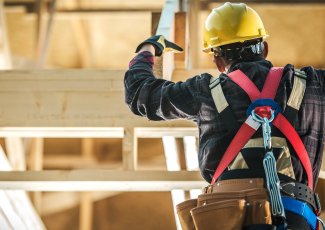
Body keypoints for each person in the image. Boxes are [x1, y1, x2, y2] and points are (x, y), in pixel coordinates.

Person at [124, 2, 325, 229]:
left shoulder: (205, 92)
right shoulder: (312, 85)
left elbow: (140, 94)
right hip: (294, 217)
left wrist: (147, 49)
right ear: (265, 48)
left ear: (218, 61)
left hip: (226, 217)